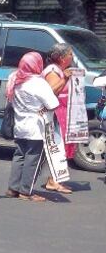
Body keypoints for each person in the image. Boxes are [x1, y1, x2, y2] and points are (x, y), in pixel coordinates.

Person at [6, 52, 58, 202]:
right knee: (33, 158)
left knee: (19, 155)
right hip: (36, 126)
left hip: (20, 123)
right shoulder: (38, 82)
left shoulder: (14, 78)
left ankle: (13, 188)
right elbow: (53, 103)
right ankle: (26, 191)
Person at [42, 43, 76, 194]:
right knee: (57, 145)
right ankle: (52, 181)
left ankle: (55, 179)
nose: (72, 57)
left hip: (64, 110)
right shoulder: (52, 70)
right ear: (62, 58)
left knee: (63, 145)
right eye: (70, 54)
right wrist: (65, 79)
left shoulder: (61, 70)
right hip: (57, 112)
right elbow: (51, 90)